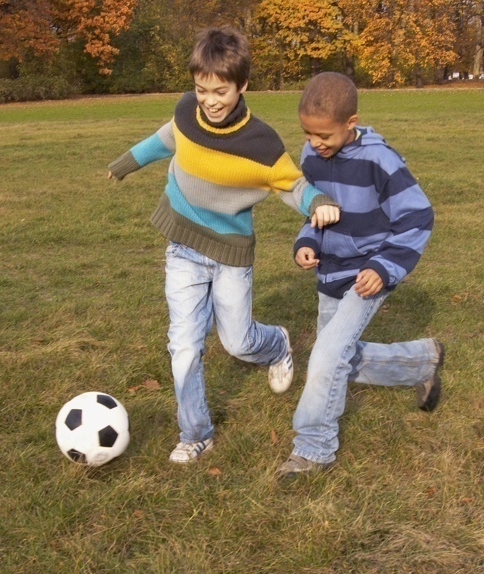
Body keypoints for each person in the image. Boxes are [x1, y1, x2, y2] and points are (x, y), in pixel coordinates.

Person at [107, 27, 339, 464]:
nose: (209, 100)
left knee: (237, 342)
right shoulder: (186, 113)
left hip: (230, 255)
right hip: (183, 249)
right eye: (200, 89)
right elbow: (164, 140)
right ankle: (195, 433)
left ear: (242, 86)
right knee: (184, 346)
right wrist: (125, 164)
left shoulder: (261, 142)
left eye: (220, 91)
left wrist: (319, 202)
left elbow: (292, 184)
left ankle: (276, 344)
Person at [277, 71, 443, 478]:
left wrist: (382, 269)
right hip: (330, 272)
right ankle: (422, 360)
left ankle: (314, 448)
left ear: (350, 124)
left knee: (327, 356)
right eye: (308, 133)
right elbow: (314, 209)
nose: (316, 143)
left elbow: (418, 217)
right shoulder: (312, 154)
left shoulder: (379, 160)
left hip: (367, 274)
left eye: (325, 136)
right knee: (337, 359)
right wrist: (308, 243)